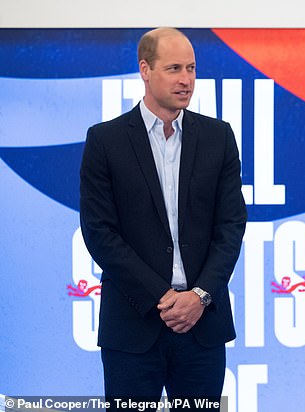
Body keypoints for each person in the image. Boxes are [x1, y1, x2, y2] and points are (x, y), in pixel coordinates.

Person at [80, 28, 247, 409]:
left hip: (202, 327)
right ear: (145, 69)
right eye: (174, 68)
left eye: (191, 68)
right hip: (132, 326)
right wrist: (164, 297)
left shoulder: (218, 137)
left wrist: (200, 296)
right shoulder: (106, 141)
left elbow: (232, 225)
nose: (186, 79)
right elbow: (99, 232)